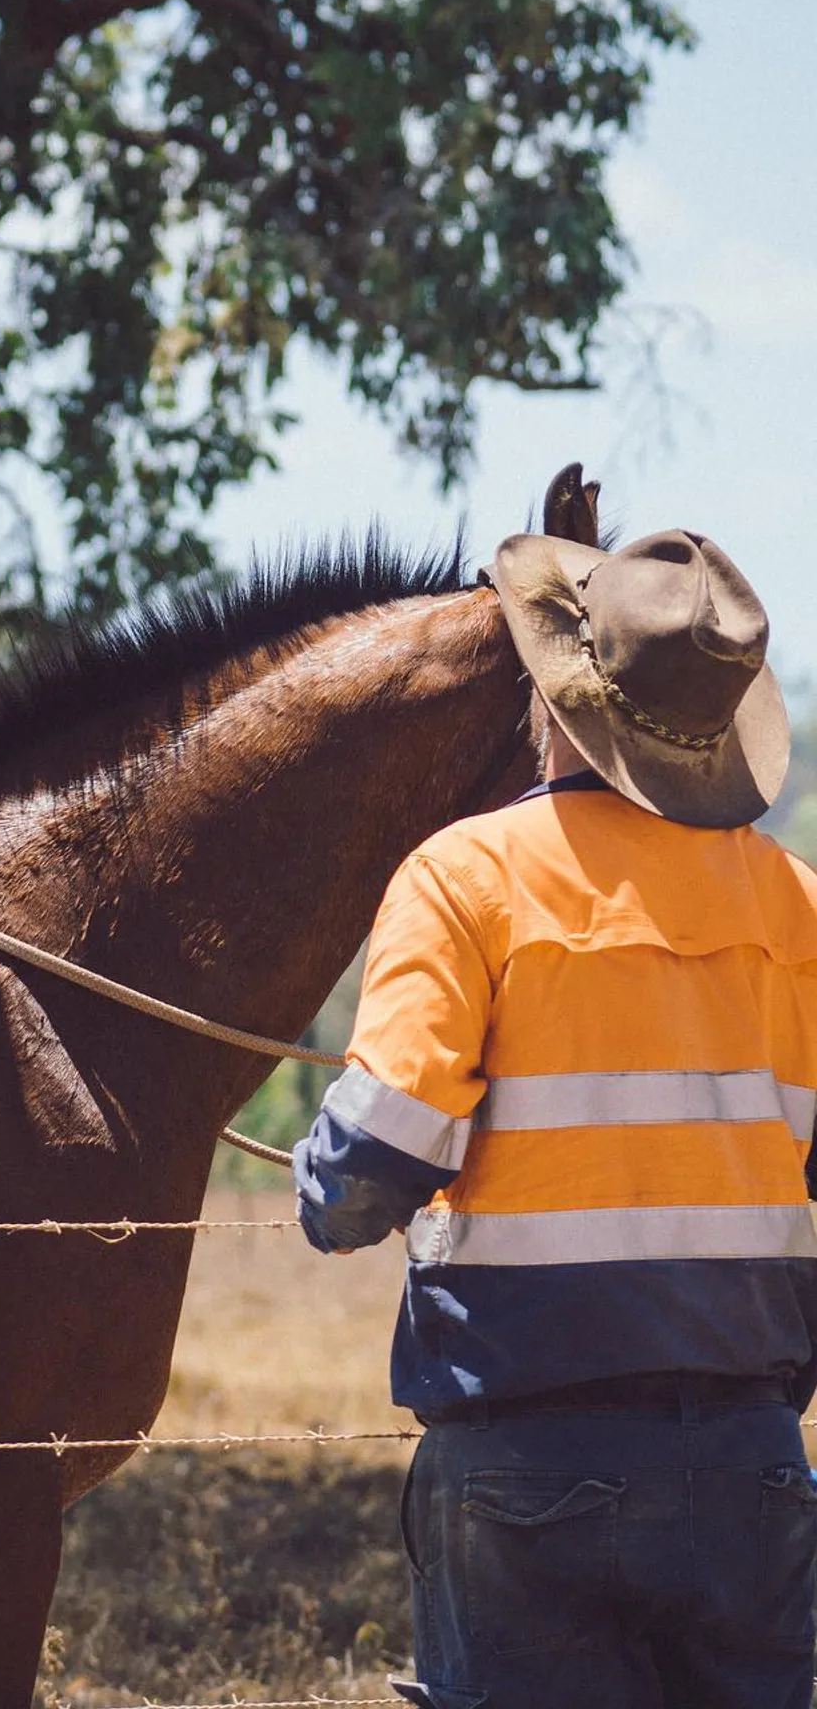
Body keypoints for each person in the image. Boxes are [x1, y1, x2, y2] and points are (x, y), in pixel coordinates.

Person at [294, 525, 817, 1709]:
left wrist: (315, 1178)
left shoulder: (463, 876)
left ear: (555, 695)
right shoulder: (797, 906)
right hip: (753, 1463)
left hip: (531, 1466)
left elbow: (367, 1175)